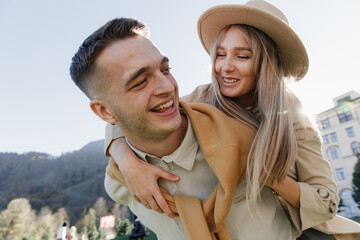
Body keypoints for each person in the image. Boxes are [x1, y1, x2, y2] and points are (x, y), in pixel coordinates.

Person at [103, 1, 360, 239]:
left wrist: (265, 172)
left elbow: (326, 203)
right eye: (221, 54)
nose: (225, 67)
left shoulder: (293, 117)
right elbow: (128, 113)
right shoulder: (200, 99)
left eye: (242, 56)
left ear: (266, 64)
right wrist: (126, 161)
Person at [70, 17, 296, 239]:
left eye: (165, 69)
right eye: (140, 82)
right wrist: (124, 157)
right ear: (104, 112)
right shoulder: (119, 184)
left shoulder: (243, 133)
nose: (168, 87)